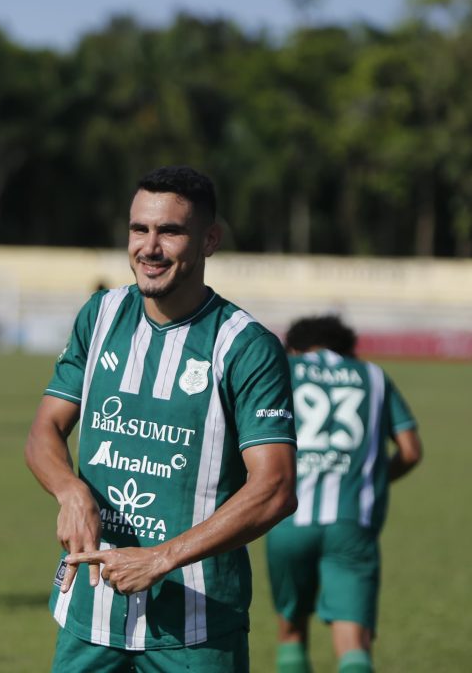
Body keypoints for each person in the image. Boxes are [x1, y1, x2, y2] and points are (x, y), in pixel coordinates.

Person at [24, 165, 298, 672]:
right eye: (138, 229)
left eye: (170, 231)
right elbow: (44, 430)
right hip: (91, 615)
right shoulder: (100, 315)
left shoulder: (245, 346)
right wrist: (69, 490)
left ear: (209, 240)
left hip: (196, 626)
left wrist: (161, 557)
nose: (149, 247)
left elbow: (276, 488)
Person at [266, 315, 423, 673]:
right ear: (347, 349)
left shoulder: (282, 369)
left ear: (294, 346)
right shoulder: (373, 375)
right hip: (352, 520)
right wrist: (372, 480)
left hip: (287, 518)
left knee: (291, 629)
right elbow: (411, 450)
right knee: (353, 642)